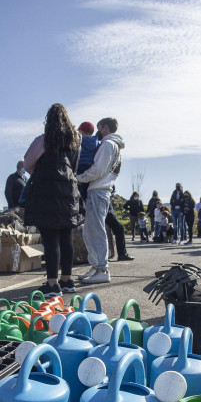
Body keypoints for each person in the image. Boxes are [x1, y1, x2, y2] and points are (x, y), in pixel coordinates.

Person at [22, 103, 82, 296]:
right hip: (68, 193)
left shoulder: (43, 140)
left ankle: (52, 284)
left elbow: (27, 164)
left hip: (47, 192)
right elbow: (74, 167)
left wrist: (41, 173)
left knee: (50, 240)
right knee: (66, 238)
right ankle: (67, 280)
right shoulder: (75, 142)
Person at [77, 117, 124, 284]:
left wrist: (80, 178)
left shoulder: (107, 145)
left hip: (99, 189)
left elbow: (97, 169)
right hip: (100, 190)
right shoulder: (115, 146)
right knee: (89, 230)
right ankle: (96, 266)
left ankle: (102, 268)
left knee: (96, 230)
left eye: (99, 127)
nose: (97, 132)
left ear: (105, 127)